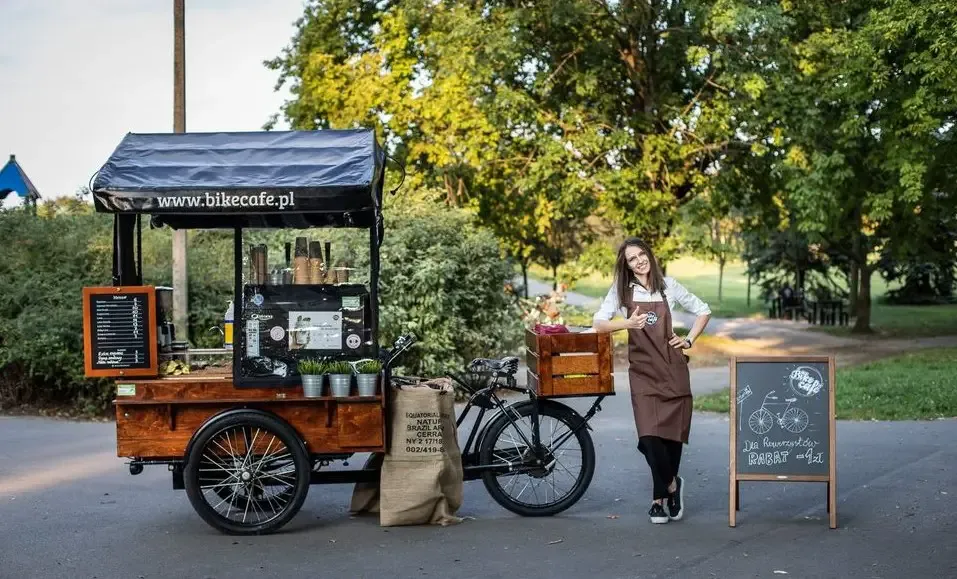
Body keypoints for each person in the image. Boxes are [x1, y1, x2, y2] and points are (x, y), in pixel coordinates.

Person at [592, 237, 711, 524]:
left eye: (641, 255)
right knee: (648, 437)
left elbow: (703, 310)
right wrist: (628, 324)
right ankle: (672, 485)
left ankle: (659, 501)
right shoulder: (621, 291)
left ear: (649, 255)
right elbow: (598, 323)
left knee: (671, 435)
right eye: (632, 259)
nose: (639, 261)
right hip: (643, 372)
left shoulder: (669, 286)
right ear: (627, 266)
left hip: (673, 368)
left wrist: (689, 340)